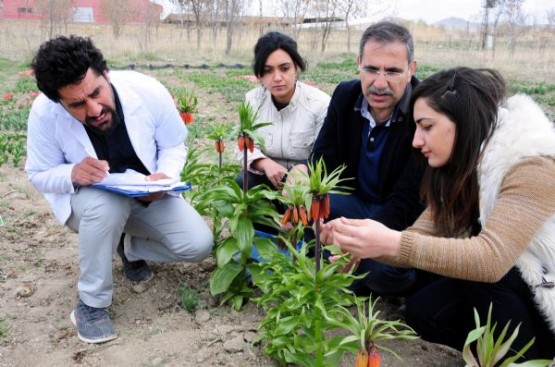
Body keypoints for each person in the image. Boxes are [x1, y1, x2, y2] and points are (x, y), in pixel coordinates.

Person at [323, 67, 555, 359]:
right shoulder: (463, 164)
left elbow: (492, 259)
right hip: (509, 284)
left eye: (427, 127)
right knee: (424, 313)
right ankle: (492, 352)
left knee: (479, 274)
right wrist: (363, 245)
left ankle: (528, 357)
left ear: (462, 122)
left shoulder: (530, 163)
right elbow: (421, 233)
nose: (416, 141)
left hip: (544, 292)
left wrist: (390, 243)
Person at [25, 35, 213, 344]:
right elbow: (38, 173)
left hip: (145, 195)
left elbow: (173, 145)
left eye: (96, 92)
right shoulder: (45, 114)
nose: (95, 109)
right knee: (107, 205)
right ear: (59, 102)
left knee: (198, 244)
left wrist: (164, 176)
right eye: (77, 104)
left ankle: (126, 247)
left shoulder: (147, 91)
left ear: (105, 73)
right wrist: (73, 172)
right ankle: (91, 305)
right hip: (91, 205)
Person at [309, 21, 425, 295]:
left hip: (400, 218)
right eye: (372, 69)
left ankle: (346, 269)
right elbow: (323, 159)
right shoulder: (346, 95)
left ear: (411, 70)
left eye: (393, 71)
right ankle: (349, 269)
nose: (379, 83)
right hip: (356, 204)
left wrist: (361, 238)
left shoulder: (424, 109)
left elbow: (410, 198)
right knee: (308, 214)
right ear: (359, 63)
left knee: (390, 270)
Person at [235, 31, 330, 191]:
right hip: (268, 175)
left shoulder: (320, 104)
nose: (277, 77)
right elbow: (243, 146)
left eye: (284, 68)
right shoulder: (252, 101)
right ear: (260, 74)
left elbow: (326, 154)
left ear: (296, 68)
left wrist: (302, 170)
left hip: (305, 178)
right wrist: (264, 163)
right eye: (268, 70)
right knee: (243, 180)